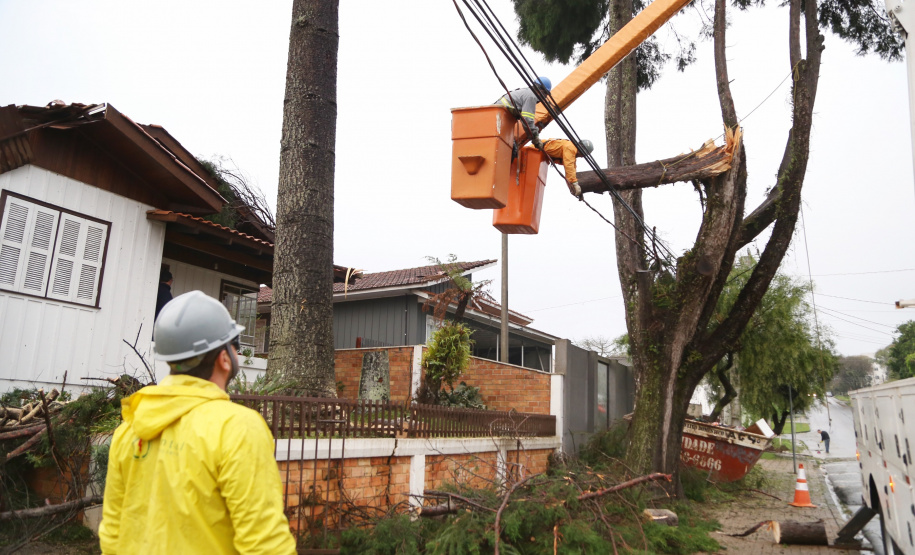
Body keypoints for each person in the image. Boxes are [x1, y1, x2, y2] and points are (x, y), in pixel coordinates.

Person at [100, 291, 296, 554]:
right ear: (225, 359)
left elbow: (113, 529)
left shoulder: (130, 426)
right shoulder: (237, 428)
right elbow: (264, 543)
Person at [495, 76, 552, 149]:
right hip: (499, 116)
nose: (544, 97)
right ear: (541, 90)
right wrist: (535, 138)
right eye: (545, 94)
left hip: (499, 115)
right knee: (511, 148)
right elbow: (527, 119)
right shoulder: (532, 96)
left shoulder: (528, 92)